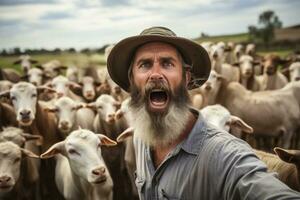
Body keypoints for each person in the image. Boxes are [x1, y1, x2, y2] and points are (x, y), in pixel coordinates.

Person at [107, 26, 300, 200]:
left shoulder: (225, 155)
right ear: (132, 80)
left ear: (186, 78)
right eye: (145, 64)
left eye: (167, 63)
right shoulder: (140, 138)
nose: (156, 74)